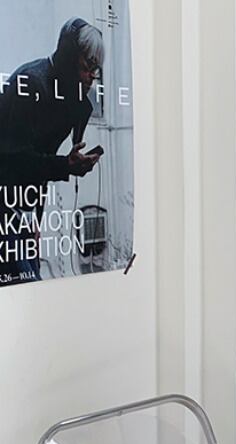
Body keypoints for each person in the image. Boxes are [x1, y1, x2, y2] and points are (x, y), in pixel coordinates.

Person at [0, 16, 103, 284]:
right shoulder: (30, 83)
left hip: (19, 212)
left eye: (95, 69)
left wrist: (34, 220)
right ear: (69, 60)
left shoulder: (65, 97)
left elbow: (36, 168)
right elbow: (15, 161)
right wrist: (64, 166)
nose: (92, 77)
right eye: (87, 67)